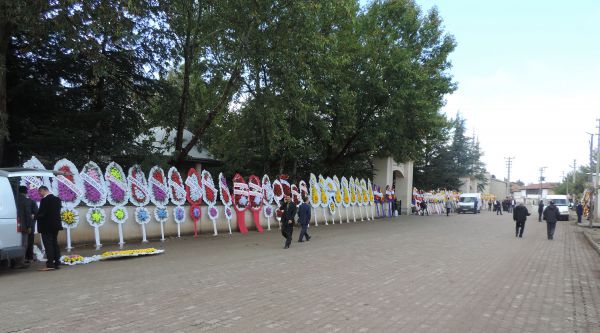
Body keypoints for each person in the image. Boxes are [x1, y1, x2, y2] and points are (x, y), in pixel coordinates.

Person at [36, 186, 62, 270]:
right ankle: (57, 262)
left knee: (48, 245)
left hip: (46, 226)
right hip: (56, 225)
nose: (40, 194)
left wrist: (34, 216)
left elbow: (42, 214)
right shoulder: (57, 199)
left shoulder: (44, 200)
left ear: (43, 190)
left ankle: (50, 264)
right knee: (55, 243)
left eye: (40, 192)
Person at [17, 186, 38, 265]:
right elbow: (35, 213)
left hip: (16, 224)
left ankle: (19, 259)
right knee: (28, 242)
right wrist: (29, 225)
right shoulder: (29, 201)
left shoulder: (14, 200)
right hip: (28, 225)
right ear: (26, 192)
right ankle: (28, 257)